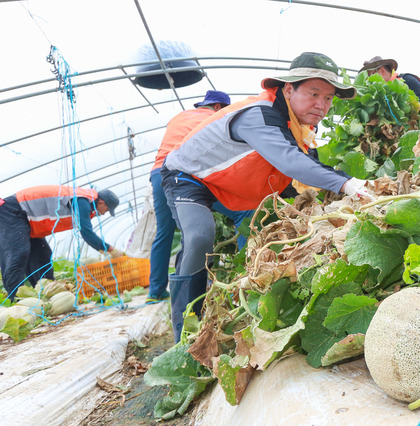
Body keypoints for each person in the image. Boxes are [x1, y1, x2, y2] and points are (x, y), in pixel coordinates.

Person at [161, 51, 370, 341]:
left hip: (234, 189)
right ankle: (185, 331)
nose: (322, 105)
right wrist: (349, 184)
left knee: (266, 237)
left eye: (329, 98)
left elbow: (306, 175)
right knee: (199, 236)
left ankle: (249, 308)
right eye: (313, 93)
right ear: (288, 89)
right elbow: (290, 161)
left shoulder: (300, 128)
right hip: (190, 177)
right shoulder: (258, 114)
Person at [147, 90, 254, 303]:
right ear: (217, 107)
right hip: (189, 175)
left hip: (159, 173)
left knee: (165, 233)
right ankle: (246, 276)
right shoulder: (213, 118)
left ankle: (156, 291)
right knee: (244, 212)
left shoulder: (179, 117)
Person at [0, 185, 122, 301]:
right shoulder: (82, 201)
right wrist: (110, 249)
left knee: (42, 255)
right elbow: (87, 233)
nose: (104, 213)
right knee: (18, 253)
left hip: (29, 221)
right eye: (106, 209)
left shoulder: (85, 202)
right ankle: (14, 299)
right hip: (13, 210)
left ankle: (47, 294)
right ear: (101, 202)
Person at [359, 56, 420, 130]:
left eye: (371, 75)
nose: (370, 80)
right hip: (418, 140)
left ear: (382, 70)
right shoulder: (384, 97)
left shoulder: (407, 80)